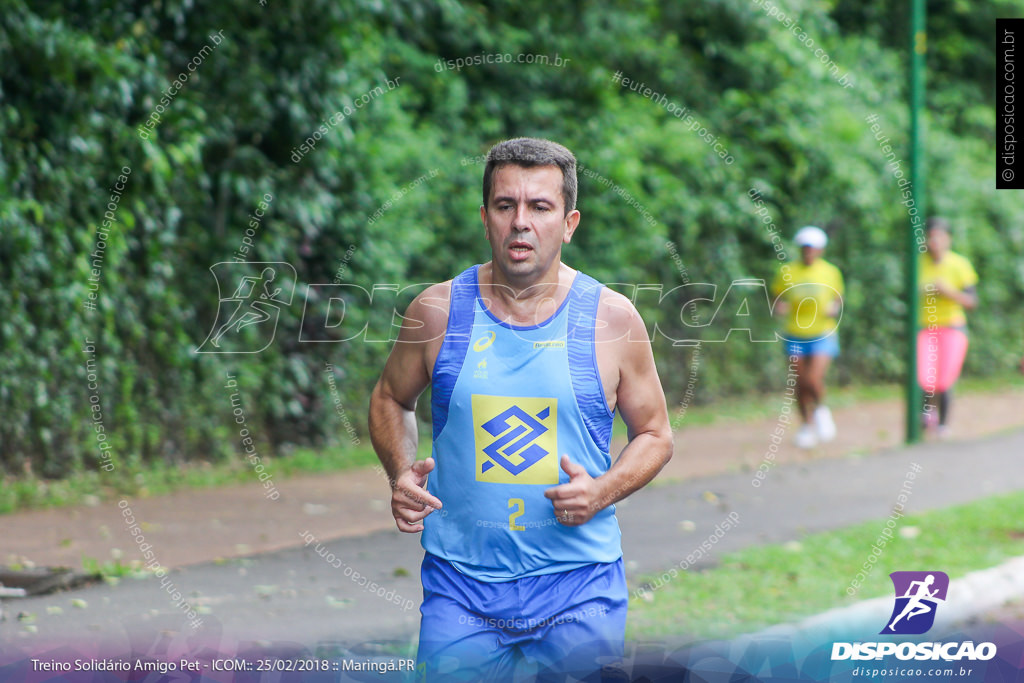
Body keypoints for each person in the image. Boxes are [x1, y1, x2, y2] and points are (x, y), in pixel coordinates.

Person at [368, 138, 673, 680]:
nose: (521, 222)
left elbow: (654, 434)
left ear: (570, 221)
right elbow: (391, 398)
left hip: (579, 582)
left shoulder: (613, 319)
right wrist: (400, 472)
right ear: (486, 218)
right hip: (460, 584)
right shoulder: (436, 311)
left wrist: (602, 491)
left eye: (540, 207)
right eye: (506, 206)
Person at [770, 226, 845, 449]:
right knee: (799, 382)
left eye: (812, 248)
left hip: (823, 332)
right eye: (805, 248)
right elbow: (777, 297)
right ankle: (806, 425)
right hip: (795, 333)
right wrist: (779, 307)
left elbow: (838, 297)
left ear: (820, 250)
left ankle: (821, 409)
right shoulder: (787, 271)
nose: (808, 252)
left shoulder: (830, 272)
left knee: (813, 379)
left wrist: (833, 306)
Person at [918, 217, 978, 437]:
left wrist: (948, 292)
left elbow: (972, 302)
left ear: (948, 239)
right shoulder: (918, 263)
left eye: (939, 236)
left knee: (944, 378)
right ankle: (926, 414)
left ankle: (943, 424)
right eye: (931, 236)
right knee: (925, 376)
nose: (935, 241)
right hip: (925, 327)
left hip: (952, 327)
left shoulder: (959, 265)